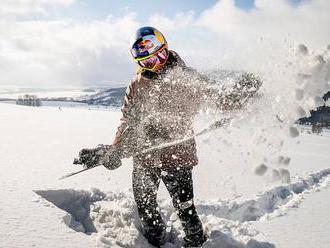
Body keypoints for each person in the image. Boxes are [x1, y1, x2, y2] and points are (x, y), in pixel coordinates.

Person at [76, 26, 262, 247]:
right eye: (146, 63)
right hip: (144, 157)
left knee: (184, 207)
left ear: (166, 49)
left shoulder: (188, 78)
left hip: (178, 155)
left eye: (159, 57)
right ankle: (154, 239)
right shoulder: (136, 85)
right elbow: (128, 122)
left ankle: (195, 241)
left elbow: (220, 98)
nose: (155, 66)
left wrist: (240, 94)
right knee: (145, 204)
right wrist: (114, 150)